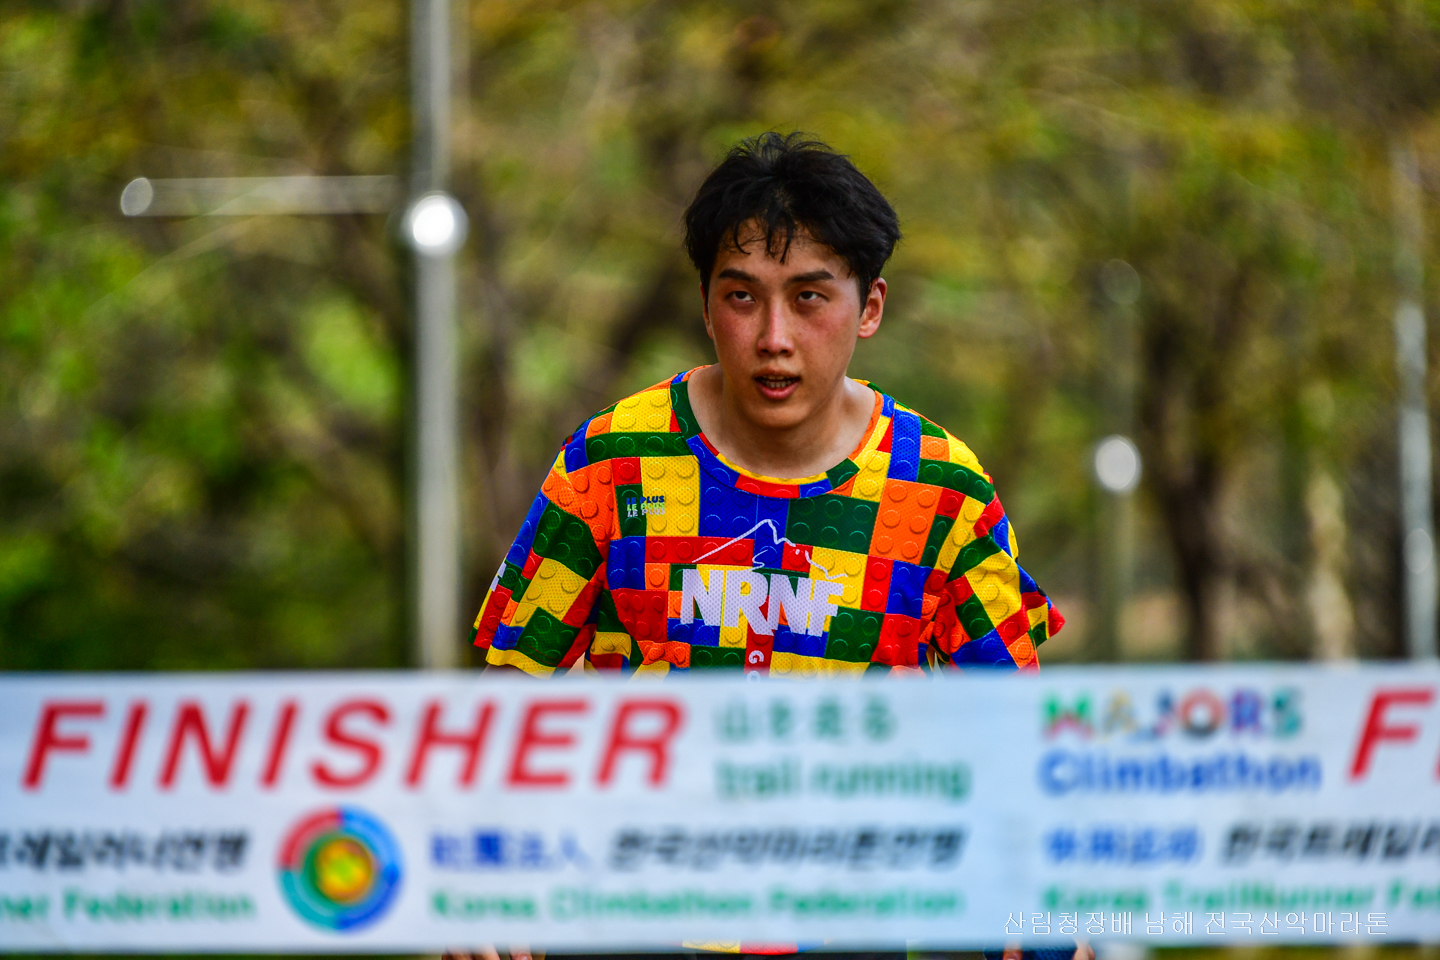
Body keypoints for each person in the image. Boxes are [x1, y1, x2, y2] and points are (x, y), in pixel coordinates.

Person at [470, 131, 1062, 676]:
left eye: (809, 297)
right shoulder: (611, 462)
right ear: (705, 307)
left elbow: (1012, 724)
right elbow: (508, 698)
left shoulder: (942, 489)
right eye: (741, 296)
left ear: (870, 308)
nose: (774, 338)